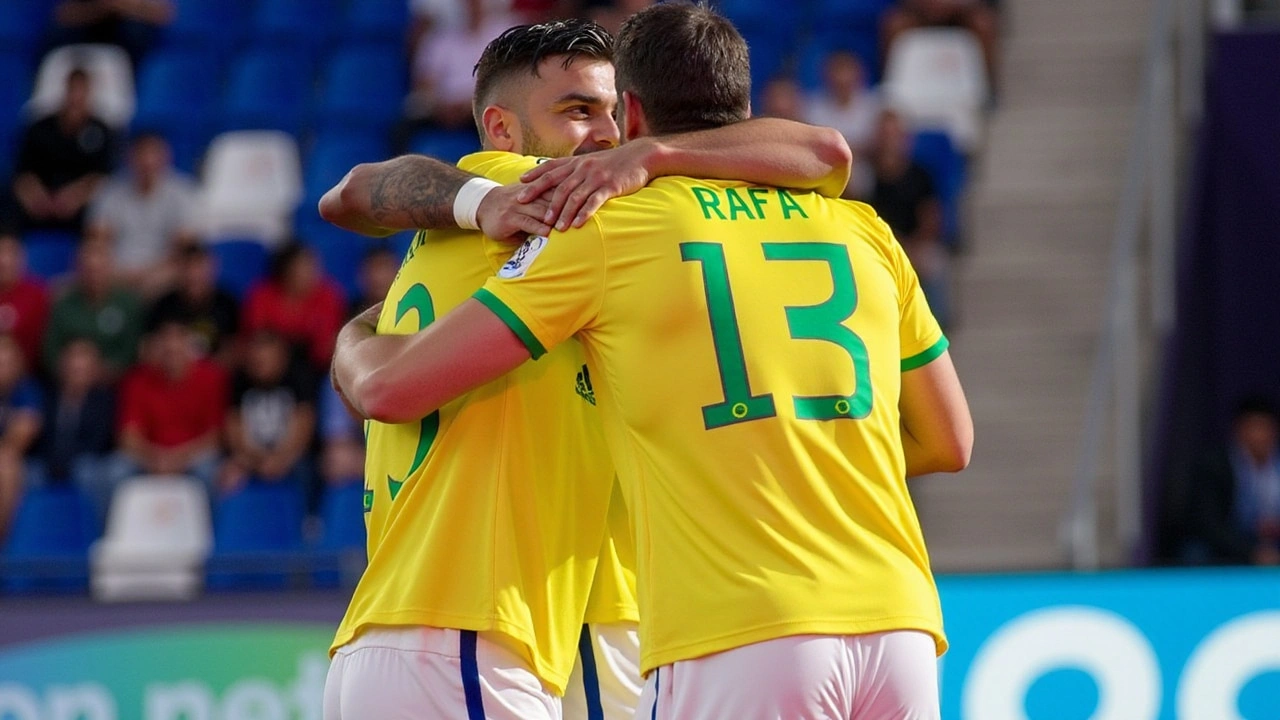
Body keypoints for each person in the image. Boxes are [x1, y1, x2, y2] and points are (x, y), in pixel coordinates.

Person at [333, 4, 971, 719]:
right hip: (895, 620)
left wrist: (355, 335)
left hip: (653, 619)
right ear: (500, 131)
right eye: (578, 111)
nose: (602, 136)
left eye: (610, 114)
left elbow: (360, 195)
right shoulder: (860, 228)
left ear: (634, 114)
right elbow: (949, 439)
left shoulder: (599, 228)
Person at [98, 314, 227, 519]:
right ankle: (108, 535)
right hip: (150, 457)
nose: (172, 349)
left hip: (192, 456)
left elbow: (214, 437)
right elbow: (128, 436)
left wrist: (177, 459)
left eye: (178, 342)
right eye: (165, 344)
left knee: (209, 471)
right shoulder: (137, 381)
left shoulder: (211, 377)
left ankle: (213, 538)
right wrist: (154, 459)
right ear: (155, 347)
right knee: (114, 471)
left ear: (190, 346)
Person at [87, 131, 199, 296]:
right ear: (130, 158)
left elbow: (184, 247)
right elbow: (98, 240)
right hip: (116, 270)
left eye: (153, 154)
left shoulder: (182, 193)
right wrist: (119, 272)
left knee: (180, 272)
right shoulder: (110, 191)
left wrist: (150, 273)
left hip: (163, 271)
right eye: (142, 155)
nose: (147, 162)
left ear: (166, 157)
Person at [868, 109, 949, 327]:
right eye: (885, 135)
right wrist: (894, 248)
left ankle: (937, 328)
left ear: (905, 139)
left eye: (895, 135)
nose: (889, 142)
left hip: (916, 245)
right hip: (878, 248)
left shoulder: (921, 174)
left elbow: (931, 218)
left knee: (933, 262)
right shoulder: (867, 178)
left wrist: (911, 247)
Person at [8, 68, 115, 234]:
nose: (76, 98)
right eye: (73, 90)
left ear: (89, 94)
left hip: (79, 206)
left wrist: (75, 198)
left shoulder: (102, 131)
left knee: (101, 212)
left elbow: (104, 177)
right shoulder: (39, 128)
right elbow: (22, 173)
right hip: (39, 203)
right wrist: (35, 197)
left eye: (82, 91)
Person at [30, 338, 116, 526]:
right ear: (62, 367)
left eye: (82, 370)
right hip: (50, 462)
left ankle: (94, 532)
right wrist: (54, 461)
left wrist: (64, 462)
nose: (76, 373)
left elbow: (98, 443)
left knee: (88, 472)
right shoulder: (48, 397)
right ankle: (24, 537)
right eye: (72, 368)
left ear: (94, 370)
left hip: (86, 461)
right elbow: (40, 439)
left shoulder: (104, 400)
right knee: (29, 474)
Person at [219, 330, 315, 497]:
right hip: (251, 458)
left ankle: (310, 521)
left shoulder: (298, 379)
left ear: (282, 357)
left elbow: (303, 428)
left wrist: (281, 460)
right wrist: (255, 461)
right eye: (255, 359)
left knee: (307, 470)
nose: (258, 363)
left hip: (290, 457)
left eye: (265, 359)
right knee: (228, 474)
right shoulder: (240, 381)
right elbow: (234, 429)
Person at [1186, 396, 1280, 565]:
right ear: (1239, 430)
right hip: (1233, 542)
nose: (1260, 435)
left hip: (1274, 541)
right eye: (1254, 427)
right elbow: (1208, 524)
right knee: (1195, 552)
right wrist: (1251, 551)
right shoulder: (1215, 466)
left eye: (1265, 427)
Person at [42, 236, 145, 381]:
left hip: (115, 382)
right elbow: (51, 350)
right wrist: (71, 369)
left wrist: (102, 371)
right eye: (88, 269)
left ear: (110, 267)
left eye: (99, 269)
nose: (94, 276)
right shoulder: (64, 303)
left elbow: (132, 351)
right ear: (78, 270)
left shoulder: (128, 304)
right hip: (69, 380)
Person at [241, 241, 345, 377]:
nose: (310, 272)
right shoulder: (262, 295)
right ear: (286, 270)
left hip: (316, 368)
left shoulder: (328, 295)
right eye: (302, 266)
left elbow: (327, 345)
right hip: (272, 371)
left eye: (312, 266)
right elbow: (258, 339)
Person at [147, 243, 240, 368]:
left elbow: (233, 351)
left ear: (213, 268)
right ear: (179, 269)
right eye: (188, 268)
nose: (194, 275)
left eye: (199, 267)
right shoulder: (164, 306)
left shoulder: (227, 304)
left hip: (215, 376)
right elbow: (152, 350)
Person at [881, 0, 999, 89]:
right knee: (896, 25)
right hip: (919, 12)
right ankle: (892, 90)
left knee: (982, 24)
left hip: (961, 13)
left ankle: (985, 88)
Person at [0, 334, 44, 541]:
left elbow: (22, 435)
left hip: (28, 461)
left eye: (8, 362)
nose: (3, 368)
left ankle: (3, 542)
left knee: (6, 464)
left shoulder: (27, 390)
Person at [48, 0, 174, 66]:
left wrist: (122, 6)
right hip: (89, 29)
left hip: (130, 39)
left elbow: (163, 15)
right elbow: (63, 15)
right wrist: (102, 7)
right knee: (58, 34)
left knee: (135, 32)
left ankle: (135, 90)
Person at [0, 233, 51, 370]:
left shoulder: (38, 294)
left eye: (9, 253)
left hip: (29, 375)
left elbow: (44, 345)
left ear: (21, 257)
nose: (3, 260)